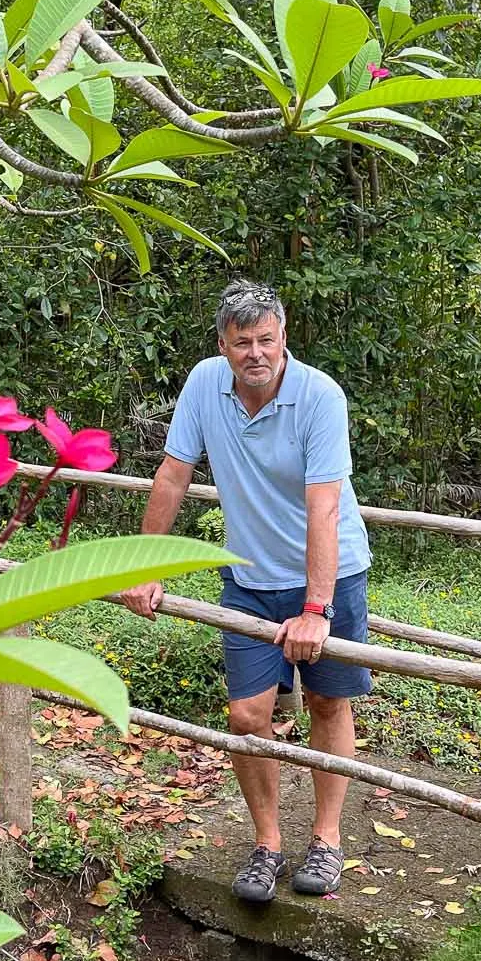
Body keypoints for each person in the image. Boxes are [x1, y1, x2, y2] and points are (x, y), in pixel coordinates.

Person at [122, 281, 371, 903]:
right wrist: (144, 567)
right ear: (223, 345)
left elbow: (324, 509)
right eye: (242, 343)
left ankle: (327, 839)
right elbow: (174, 475)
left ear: (284, 338)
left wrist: (317, 609)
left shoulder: (319, 398)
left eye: (266, 340)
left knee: (326, 705)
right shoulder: (205, 384)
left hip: (331, 576)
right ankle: (267, 844)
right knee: (247, 716)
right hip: (248, 578)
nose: (255, 353)